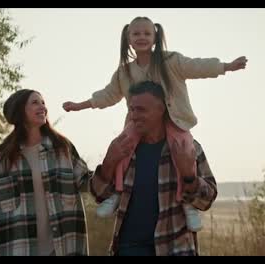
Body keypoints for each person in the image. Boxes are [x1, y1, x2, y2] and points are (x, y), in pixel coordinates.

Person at [63, 16, 246, 231]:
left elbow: (197, 66)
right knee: (122, 147)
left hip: (175, 120)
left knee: (185, 151)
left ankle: (188, 205)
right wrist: (80, 105)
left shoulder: (171, 62)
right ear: (128, 39)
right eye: (136, 33)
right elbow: (108, 95)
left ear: (155, 37)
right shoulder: (125, 72)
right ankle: (116, 194)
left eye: (146, 33)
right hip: (138, 123)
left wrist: (226, 66)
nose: (141, 37)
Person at [89, 81, 218, 256]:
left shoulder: (187, 148)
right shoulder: (123, 146)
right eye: (132, 109)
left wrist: (189, 176)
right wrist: (109, 161)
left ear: (162, 109)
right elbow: (99, 195)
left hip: (175, 247)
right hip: (129, 248)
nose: (134, 116)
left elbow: (207, 201)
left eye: (141, 109)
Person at [0, 89, 91, 256]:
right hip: (19, 249)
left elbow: (86, 180)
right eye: (35, 102)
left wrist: (110, 169)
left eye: (43, 102)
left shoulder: (62, 148)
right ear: (20, 111)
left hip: (64, 247)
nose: (42, 107)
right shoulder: (2, 157)